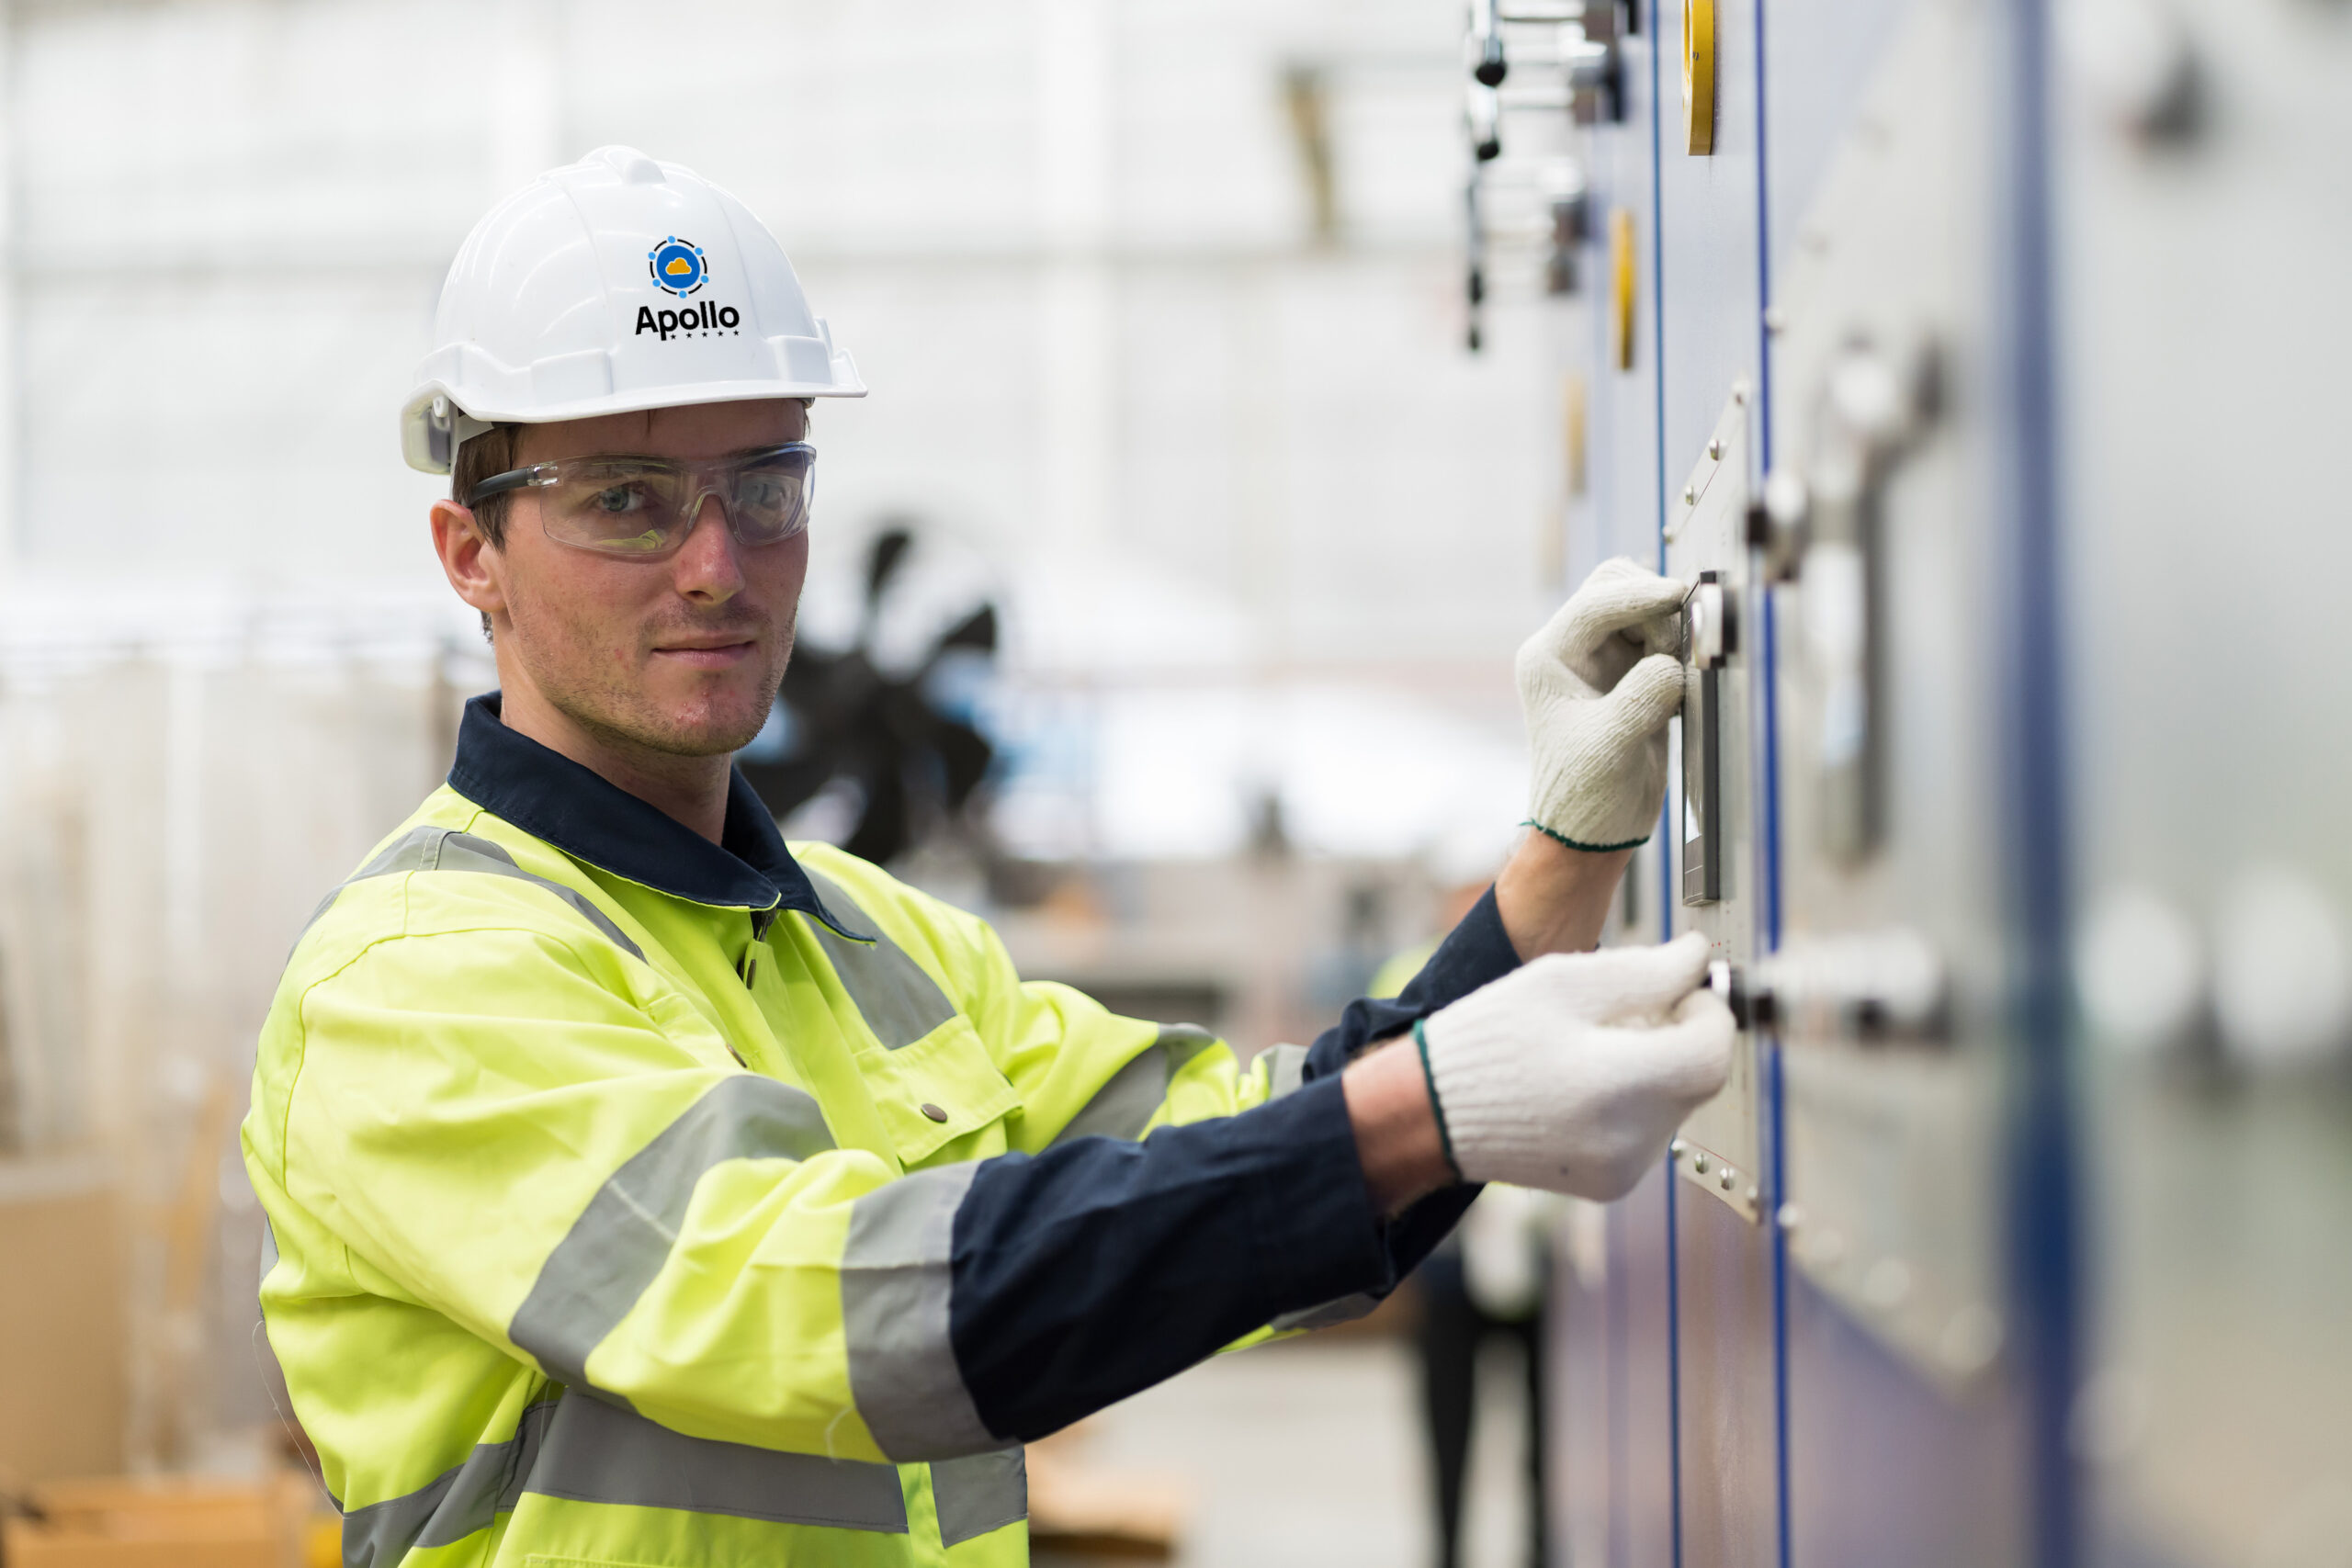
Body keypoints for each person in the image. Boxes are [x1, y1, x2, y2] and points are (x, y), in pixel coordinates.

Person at [240, 146, 1731, 1568]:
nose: (718, 564)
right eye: (627, 498)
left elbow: (1262, 1153)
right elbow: (849, 1309)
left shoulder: (873, 941)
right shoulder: (414, 986)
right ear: (470, 553)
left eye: (761, 485)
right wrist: (1431, 1111)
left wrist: (1560, 858)